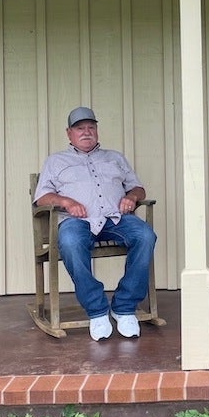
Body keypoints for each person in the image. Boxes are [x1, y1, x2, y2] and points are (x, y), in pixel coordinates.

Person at [32, 106, 156, 341]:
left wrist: (132, 197)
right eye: (80, 128)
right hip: (77, 221)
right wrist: (65, 201)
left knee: (145, 235)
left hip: (115, 218)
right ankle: (97, 310)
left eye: (91, 127)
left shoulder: (115, 157)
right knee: (68, 241)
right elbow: (42, 197)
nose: (86, 132)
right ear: (69, 133)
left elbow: (137, 187)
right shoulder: (55, 161)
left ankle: (124, 306)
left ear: (97, 130)